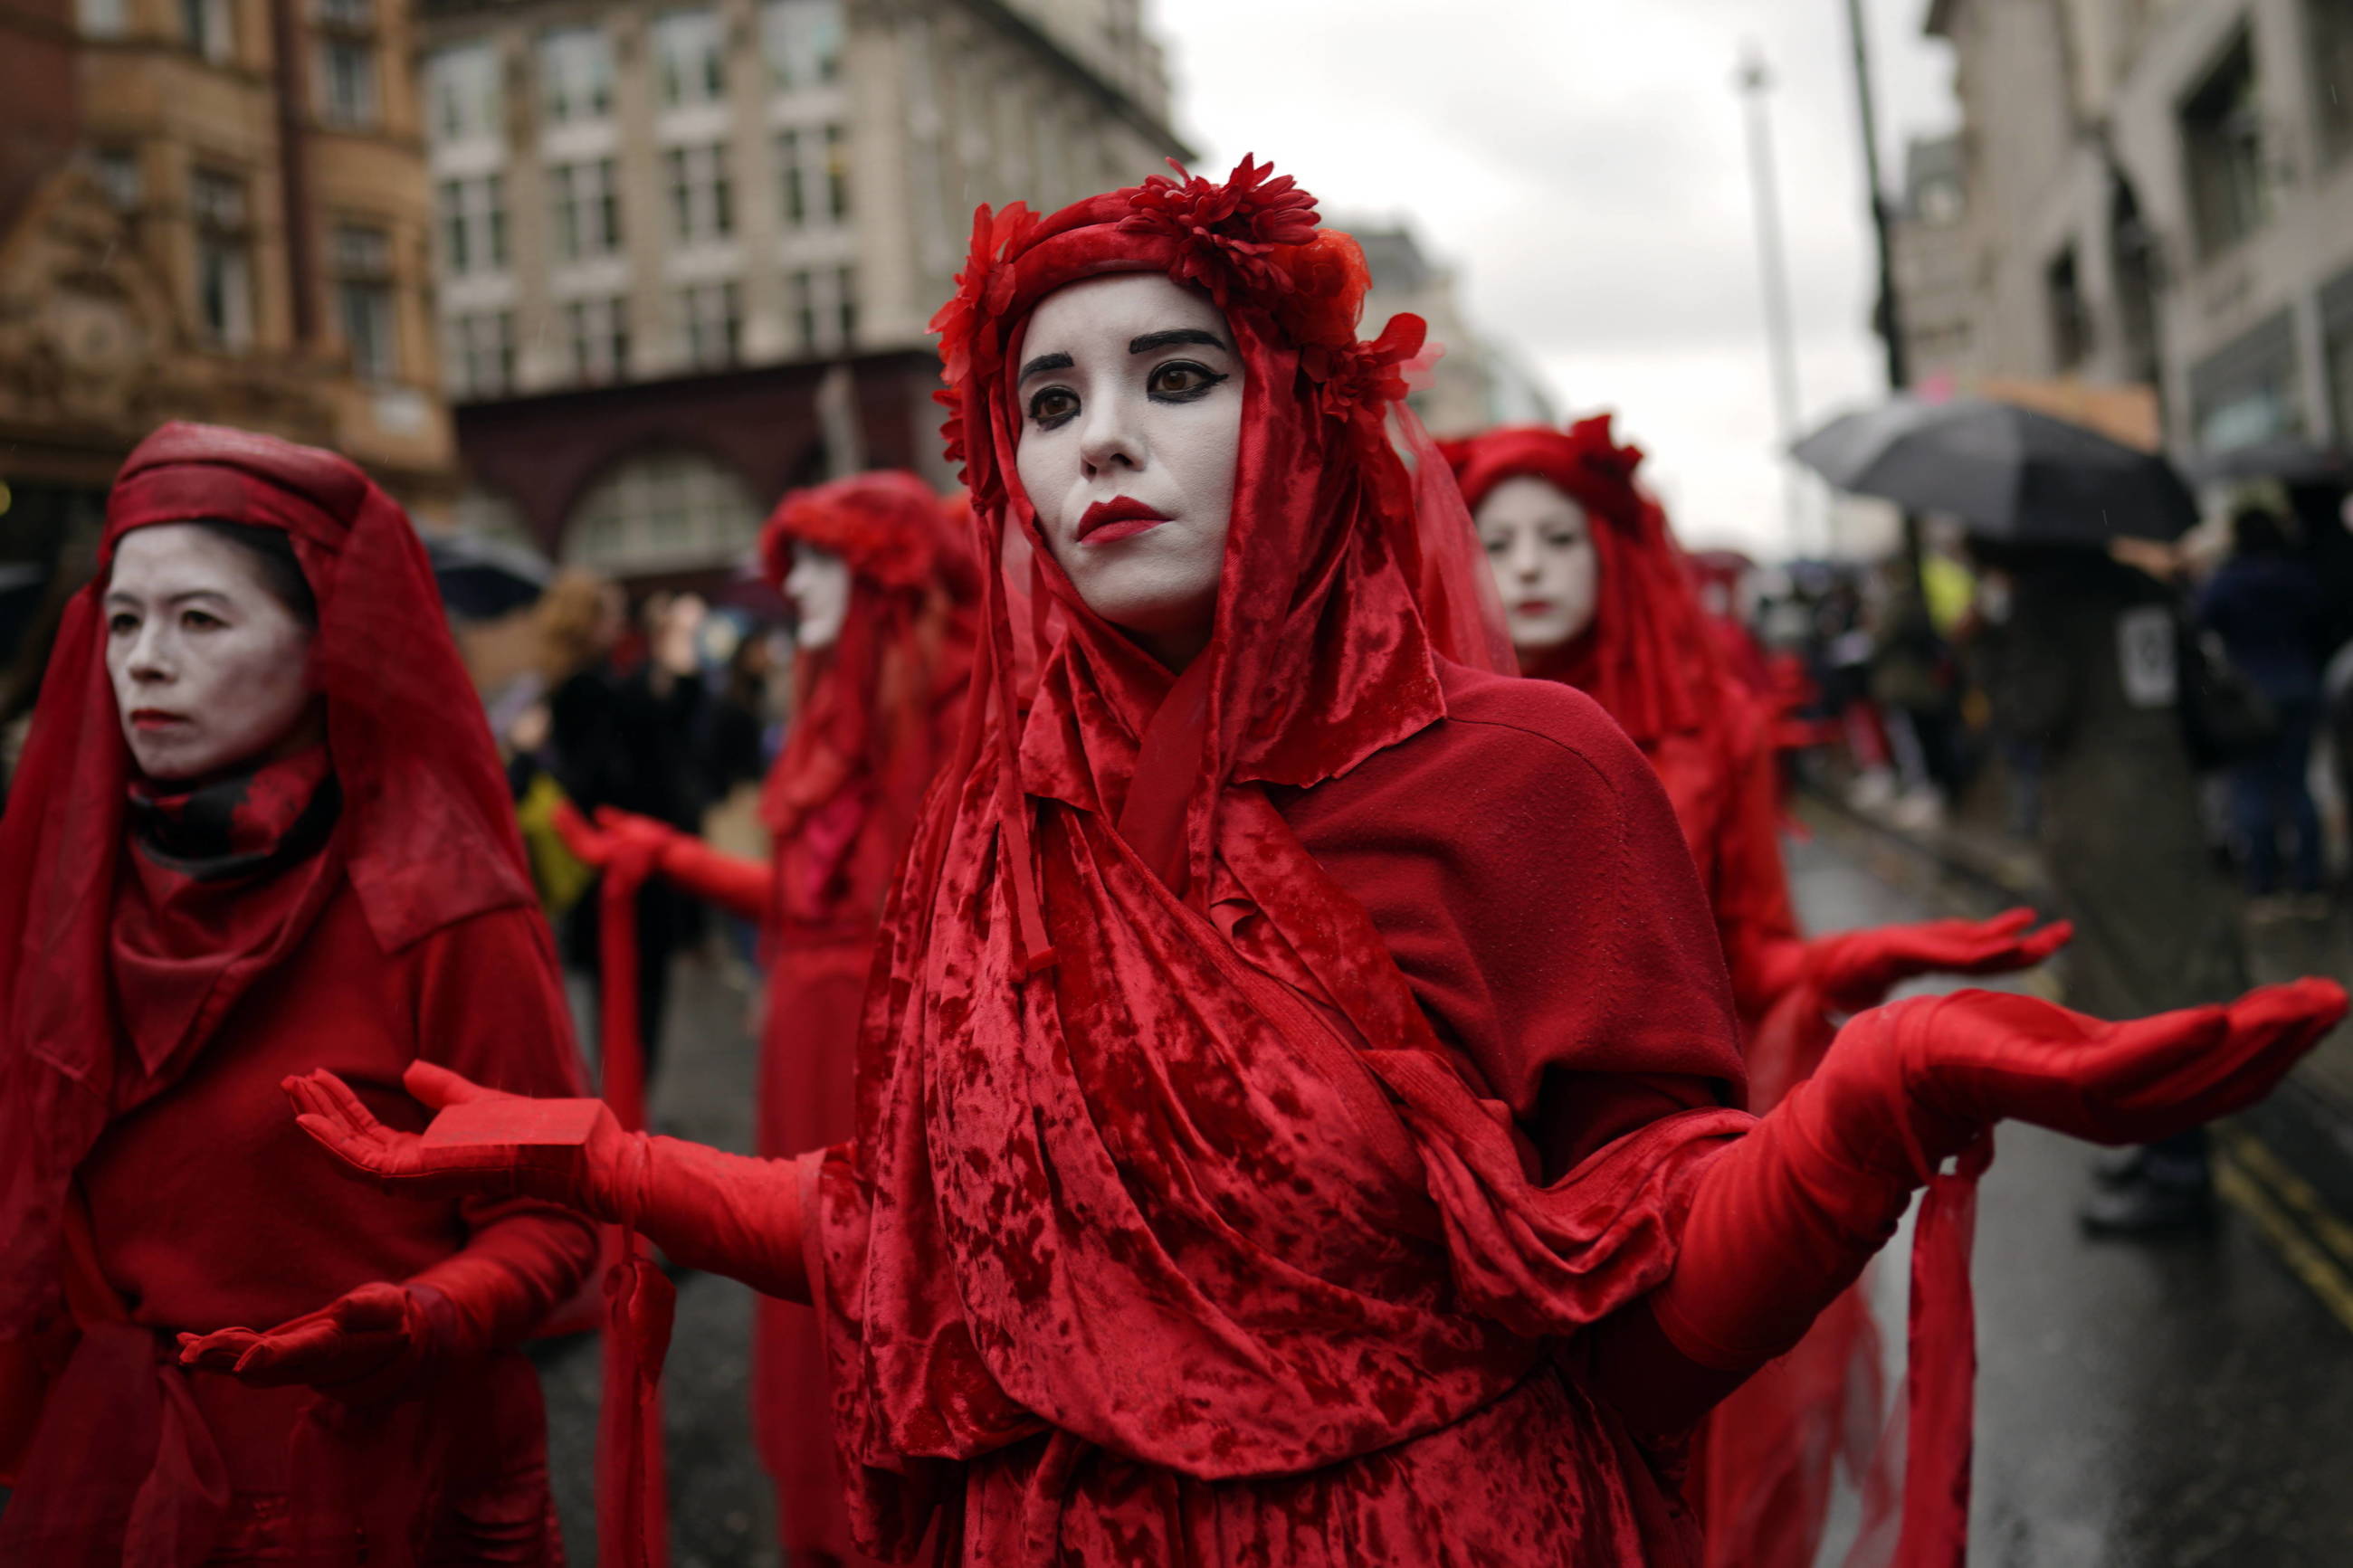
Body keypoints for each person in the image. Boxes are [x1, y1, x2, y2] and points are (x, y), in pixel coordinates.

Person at [280, 162, 2340, 1568]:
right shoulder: (995, 832)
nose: (1100, 438)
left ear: (1299, 416)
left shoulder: (1529, 771)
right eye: (1045, 397)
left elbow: (1627, 1318)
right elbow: (939, 1246)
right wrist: (589, 1160)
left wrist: (1863, 1113)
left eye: (1174, 378)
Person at [1446, 416, 2066, 1568]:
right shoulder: (1408, 735)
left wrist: (1849, 968)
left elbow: (1752, 950)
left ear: (1611, 554)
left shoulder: (1708, 729)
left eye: (1555, 538)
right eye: (1494, 540)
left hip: (1667, 1178)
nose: (1524, 565)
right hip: (1481, 1202)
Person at [0, 423, 599, 1563]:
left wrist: (428, 1313)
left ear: (327, 638)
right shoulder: (68, 886)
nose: (142, 660)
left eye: (200, 619)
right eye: (124, 619)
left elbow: (556, 1216)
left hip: (372, 1475)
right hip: (128, 1471)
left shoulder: (437, 902)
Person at [561, 470, 976, 1568]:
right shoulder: (828, 704)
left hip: (895, 1051)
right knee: (810, 1285)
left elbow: (917, 916)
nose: (796, 582)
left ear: (888, 569)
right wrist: (673, 854)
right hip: (804, 1035)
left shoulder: (953, 705)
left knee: (892, 1283)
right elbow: (808, 905)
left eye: (825, 557)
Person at [1971, 536, 2259, 1236]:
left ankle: (2178, 1174)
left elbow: (2034, 712)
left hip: (2105, 816)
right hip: (2170, 798)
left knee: (2141, 995)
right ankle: (2165, 1148)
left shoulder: (2047, 603)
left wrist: (1988, 647)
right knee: (2171, 980)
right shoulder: (2140, 586)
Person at [2197, 505, 2329, 917]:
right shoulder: (2298, 577)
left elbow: (2200, 623)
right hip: (2300, 689)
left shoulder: (2226, 582)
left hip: (2247, 698)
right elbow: (2321, 624)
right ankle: (2310, 884)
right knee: (2298, 787)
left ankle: (2264, 886)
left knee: (2252, 792)